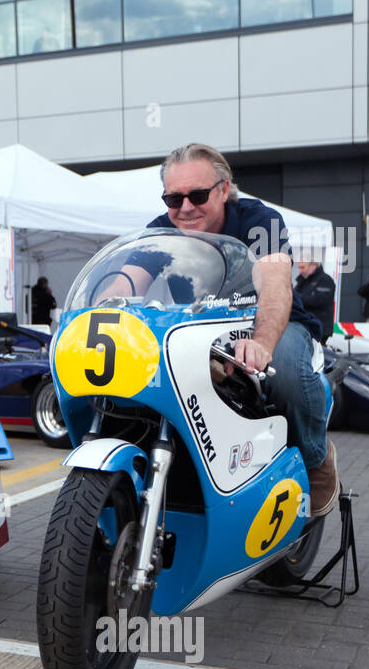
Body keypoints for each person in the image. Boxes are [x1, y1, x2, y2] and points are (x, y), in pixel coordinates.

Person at [141, 143, 337, 516]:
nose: (184, 208)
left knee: (284, 373)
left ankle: (316, 457)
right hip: (200, 331)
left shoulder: (258, 220)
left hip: (276, 324)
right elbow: (126, 280)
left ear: (224, 188)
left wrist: (261, 341)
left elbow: (276, 283)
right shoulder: (160, 232)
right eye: (173, 198)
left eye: (197, 195)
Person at [295, 257, 337, 342]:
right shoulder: (303, 280)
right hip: (305, 326)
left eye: (303, 267)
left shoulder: (325, 280)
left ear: (313, 266)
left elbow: (319, 300)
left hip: (320, 328)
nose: (300, 271)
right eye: (299, 267)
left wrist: (298, 298)